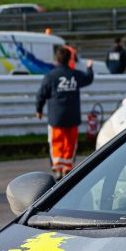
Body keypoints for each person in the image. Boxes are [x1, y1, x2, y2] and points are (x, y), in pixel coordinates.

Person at [36, 46, 94, 180]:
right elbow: (88, 78)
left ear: (56, 59)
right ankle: (67, 168)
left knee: (56, 143)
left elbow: (41, 94)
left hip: (56, 117)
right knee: (70, 144)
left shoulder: (51, 76)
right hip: (72, 117)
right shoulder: (75, 74)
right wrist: (89, 67)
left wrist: (39, 109)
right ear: (69, 60)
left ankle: (57, 168)